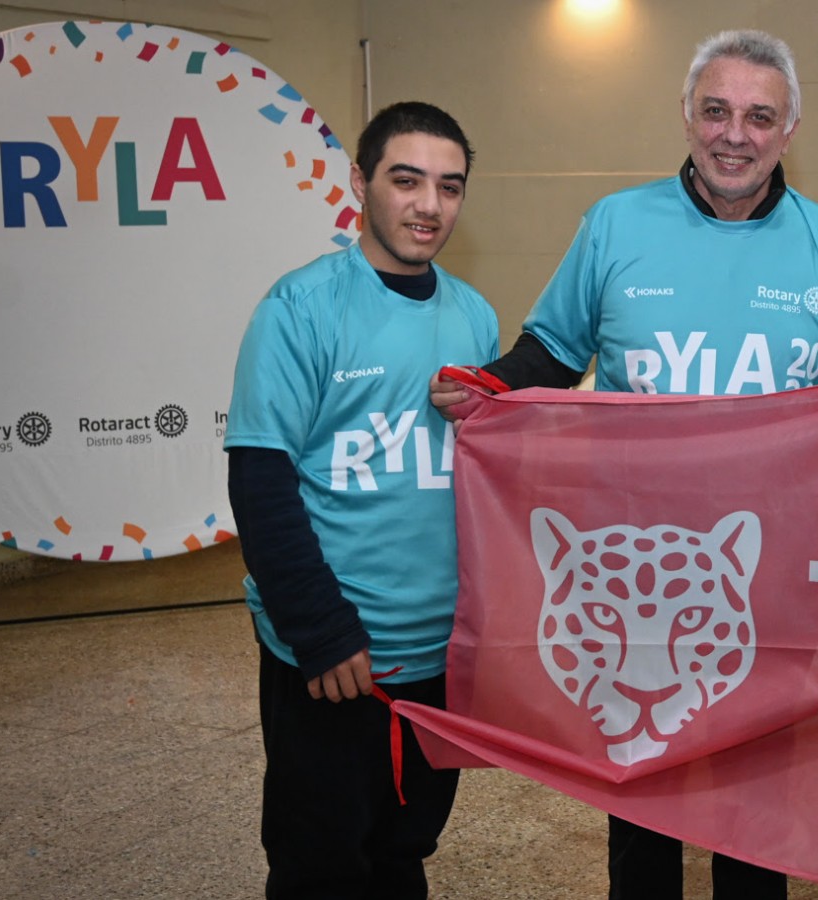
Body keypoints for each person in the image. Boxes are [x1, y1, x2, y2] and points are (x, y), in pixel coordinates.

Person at [430, 29, 818, 900]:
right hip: (632, 572)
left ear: (790, 130)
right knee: (640, 796)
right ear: (686, 116)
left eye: (759, 116)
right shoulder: (617, 223)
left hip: (767, 578)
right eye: (716, 111)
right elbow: (552, 351)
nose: (734, 135)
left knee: (758, 802)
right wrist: (487, 388)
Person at [225, 101, 498, 898]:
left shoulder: (475, 316)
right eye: (406, 180)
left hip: (437, 653)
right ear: (359, 183)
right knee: (320, 861)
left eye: (449, 187)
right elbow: (261, 480)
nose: (429, 206)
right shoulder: (300, 308)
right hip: (334, 655)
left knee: (403, 847)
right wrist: (321, 630)